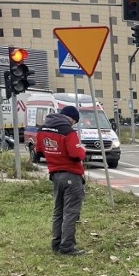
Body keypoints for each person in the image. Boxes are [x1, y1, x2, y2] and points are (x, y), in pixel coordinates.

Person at [36, 106, 87, 256]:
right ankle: (67, 247)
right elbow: (76, 154)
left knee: (58, 211)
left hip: (55, 175)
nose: (73, 125)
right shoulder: (68, 131)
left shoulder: (43, 129)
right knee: (71, 212)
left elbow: (39, 151)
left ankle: (56, 243)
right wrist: (82, 150)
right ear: (71, 118)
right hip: (71, 175)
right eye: (74, 122)